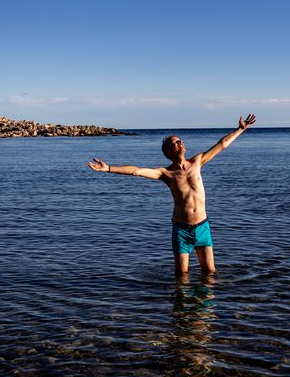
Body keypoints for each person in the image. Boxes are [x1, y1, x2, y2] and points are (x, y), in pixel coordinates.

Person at [88, 114, 257, 276]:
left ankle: (203, 306)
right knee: (181, 276)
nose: (180, 142)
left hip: (202, 226)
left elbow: (222, 144)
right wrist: (109, 168)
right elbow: (136, 171)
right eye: (175, 142)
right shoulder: (165, 173)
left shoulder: (197, 162)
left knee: (209, 273)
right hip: (181, 230)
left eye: (180, 140)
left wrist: (240, 129)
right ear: (168, 151)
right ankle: (181, 306)